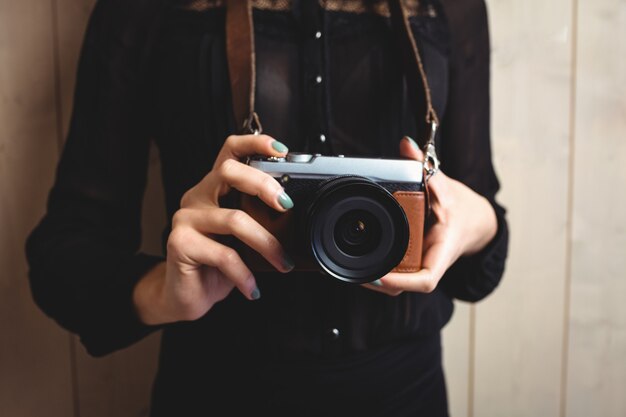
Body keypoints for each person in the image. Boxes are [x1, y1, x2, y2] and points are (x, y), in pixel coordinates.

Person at [26, 0, 508, 415]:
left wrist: (478, 221)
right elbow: (64, 253)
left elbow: (478, 260)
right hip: (214, 392)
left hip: (405, 393)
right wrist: (162, 293)